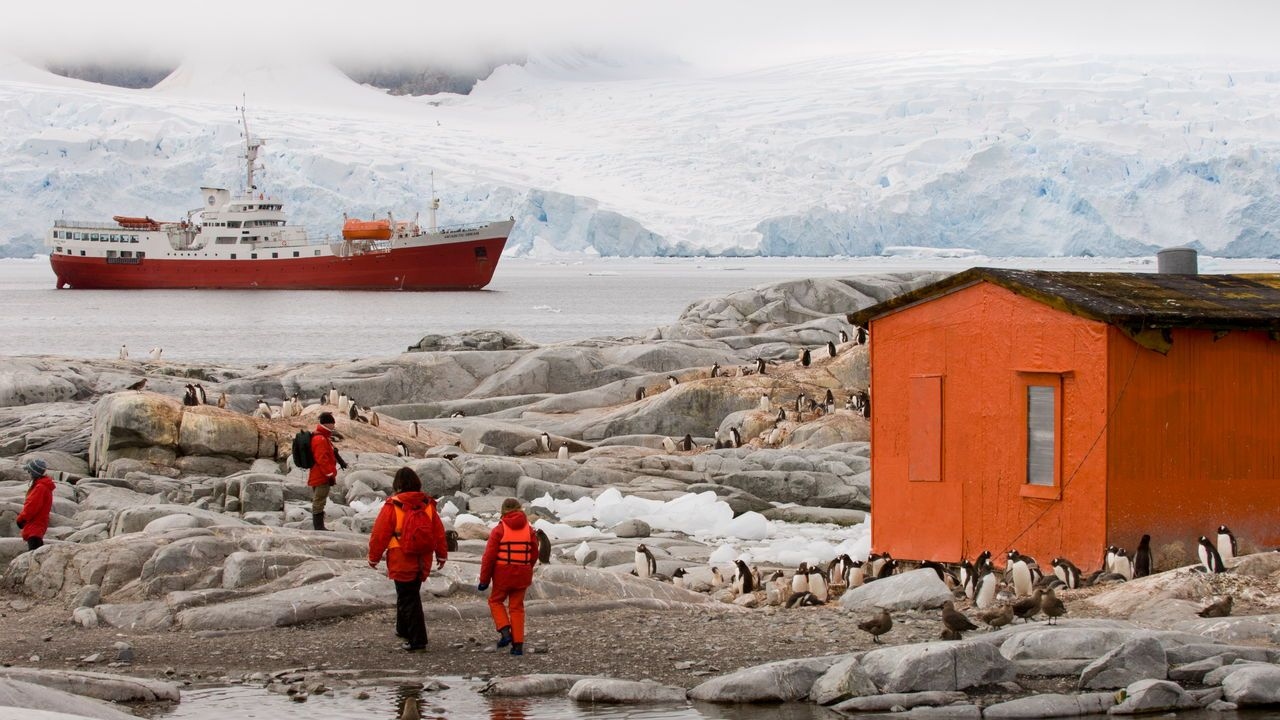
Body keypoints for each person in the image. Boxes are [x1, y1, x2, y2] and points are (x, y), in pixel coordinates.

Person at [368, 467, 448, 652]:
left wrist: (374, 557)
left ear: (397, 485)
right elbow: (438, 532)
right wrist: (442, 554)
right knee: (408, 594)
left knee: (408, 597)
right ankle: (402, 629)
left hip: (401, 556)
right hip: (422, 557)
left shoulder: (393, 506)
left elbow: (380, 534)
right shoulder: (427, 505)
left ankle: (418, 640)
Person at [478, 498, 541, 656]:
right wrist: (527, 568)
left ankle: (505, 632)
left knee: (495, 601)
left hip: (503, 574)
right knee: (517, 608)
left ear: (503, 510)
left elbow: (489, 557)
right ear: (520, 509)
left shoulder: (499, 529)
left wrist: (484, 580)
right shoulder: (529, 529)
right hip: (522, 574)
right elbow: (534, 554)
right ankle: (518, 646)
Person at [308, 412, 346, 531]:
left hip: (319, 474)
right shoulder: (320, 439)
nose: (334, 426)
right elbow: (322, 459)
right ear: (327, 424)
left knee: (320, 499)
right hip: (321, 475)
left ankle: (319, 526)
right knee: (319, 500)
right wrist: (329, 474)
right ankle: (318, 527)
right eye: (332, 423)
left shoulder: (322, 436)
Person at [15, 459, 54, 552]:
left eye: (29, 471)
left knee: (33, 554)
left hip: (34, 527)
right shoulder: (44, 486)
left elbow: (32, 506)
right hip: (38, 526)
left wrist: (21, 519)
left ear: (34, 473)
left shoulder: (40, 488)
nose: (28, 474)